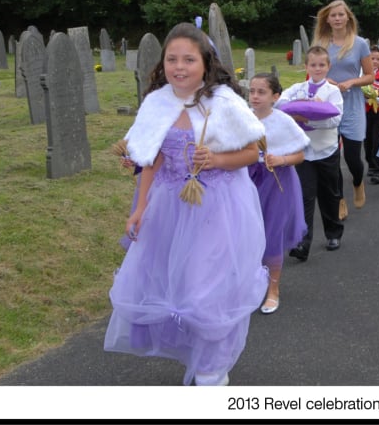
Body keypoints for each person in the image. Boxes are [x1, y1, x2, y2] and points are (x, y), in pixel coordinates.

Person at [104, 22, 268, 387]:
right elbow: (151, 158)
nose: (179, 67)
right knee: (174, 285)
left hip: (217, 207)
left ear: (206, 64)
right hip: (169, 207)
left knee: (205, 289)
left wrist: (217, 160)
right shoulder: (157, 103)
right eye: (172, 59)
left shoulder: (224, 103)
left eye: (188, 60)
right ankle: (195, 352)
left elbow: (253, 151)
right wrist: (141, 206)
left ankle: (213, 369)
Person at [247, 73, 310, 314]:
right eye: (252, 91)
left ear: (275, 96)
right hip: (248, 181)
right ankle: (248, 284)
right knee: (248, 234)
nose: (254, 96)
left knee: (272, 234)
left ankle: (273, 288)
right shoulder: (244, 119)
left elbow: (300, 155)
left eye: (261, 92)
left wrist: (281, 158)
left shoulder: (283, 121)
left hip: (277, 183)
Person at [277, 46, 345, 259]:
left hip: (326, 151)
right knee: (305, 197)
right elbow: (281, 103)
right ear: (306, 66)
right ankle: (302, 244)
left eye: (322, 65)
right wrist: (301, 106)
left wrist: (312, 117)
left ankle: (333, 232)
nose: (317, 69)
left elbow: (336, 118)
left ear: (328, 66)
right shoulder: (298, 89)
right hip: (305, 152)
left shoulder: (332, 91)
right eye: (313, 65)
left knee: (329, 194)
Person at [313, 0, 373, 219]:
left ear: (348, 17)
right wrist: (324, 80)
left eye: (341, 15)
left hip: (352, 104)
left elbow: (370, 75)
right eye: (333, 15)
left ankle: (358, 182)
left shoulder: (359, 44)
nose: (337, 19)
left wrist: (351, 82)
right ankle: (339, 199)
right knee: (331, 157)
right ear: (327, 19)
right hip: (328, 104)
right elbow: (312, 72)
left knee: (353, 158)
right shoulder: (320, 43)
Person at [363, 46, 379, 185]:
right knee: (367, 140)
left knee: (377, 140)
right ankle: (371, 164)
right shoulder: (363, 76)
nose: (375, 61)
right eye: (372, 58)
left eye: (378, 59)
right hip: (365, 111)